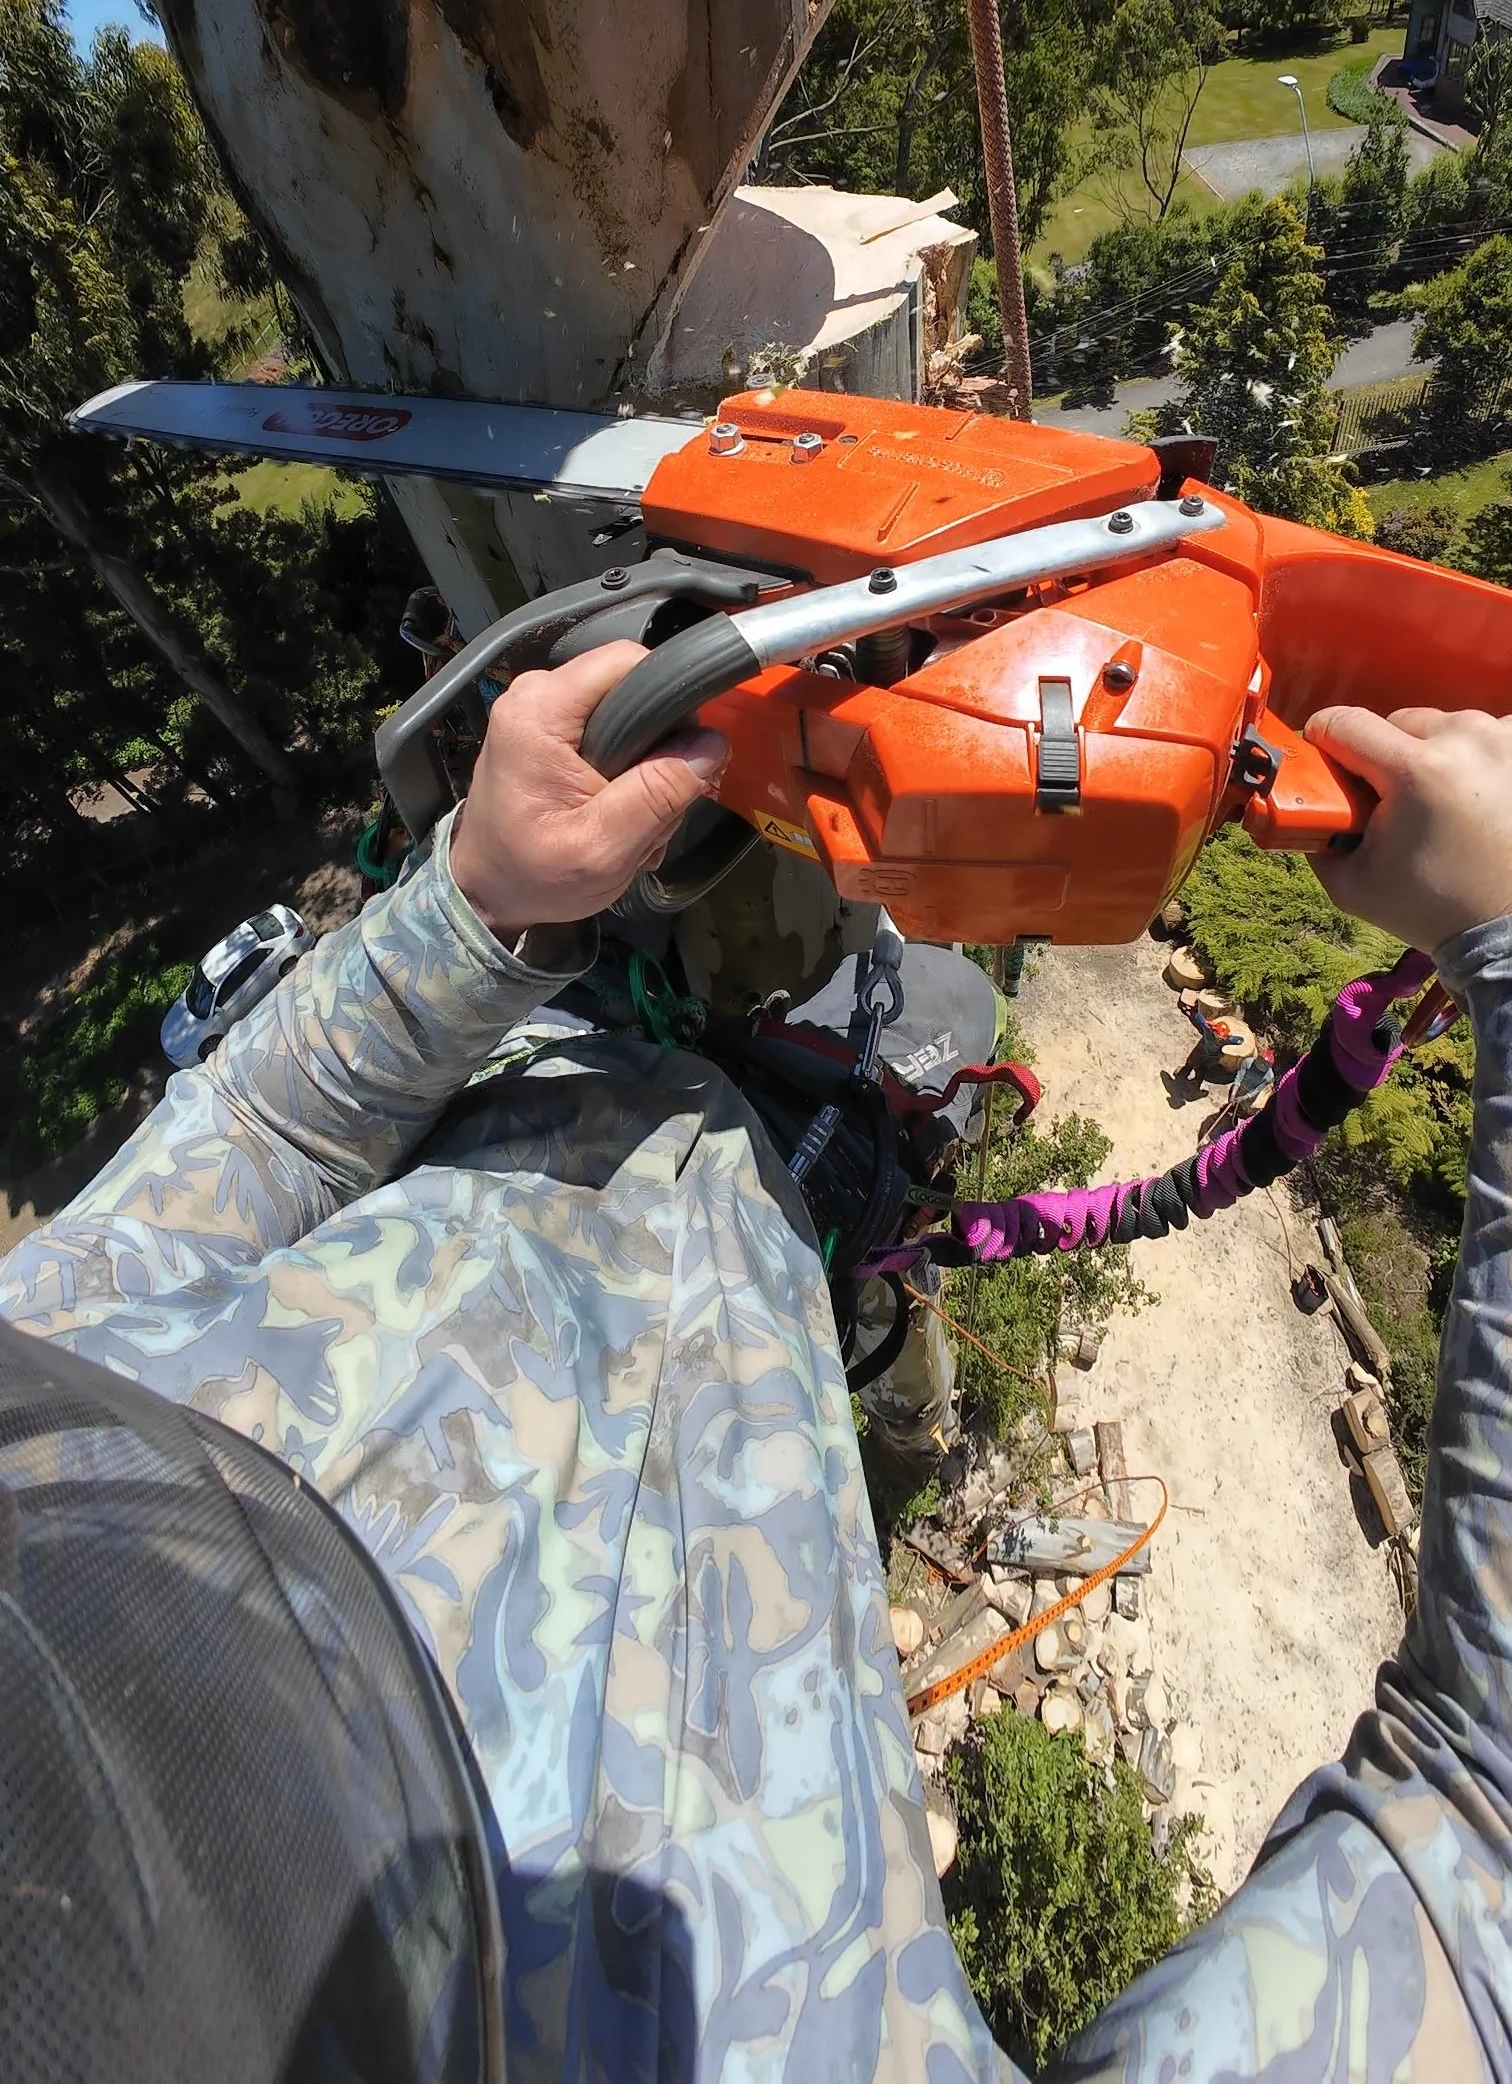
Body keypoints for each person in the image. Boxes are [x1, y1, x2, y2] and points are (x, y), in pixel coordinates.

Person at [1, 655, 1509, 2084]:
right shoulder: (759, 2029)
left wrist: (479, 908)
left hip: (564, 1046)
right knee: (931, 1041)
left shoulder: (37, 1443)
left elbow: (266, 1137)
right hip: (795, 1194)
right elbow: (1476, 1830)